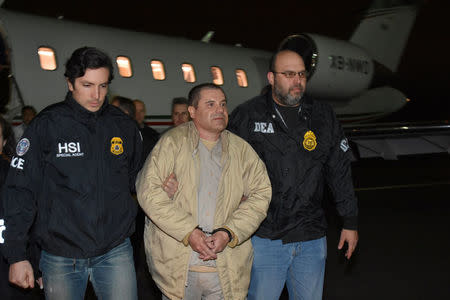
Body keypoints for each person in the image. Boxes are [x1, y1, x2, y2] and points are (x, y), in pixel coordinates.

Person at [1, 47, 142, 300]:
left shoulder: (123, 127)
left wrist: (162, 185)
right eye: (87, 85)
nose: (96, 95)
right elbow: (20, 191)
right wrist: (17, 255)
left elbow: (136, 179)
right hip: (61, 256)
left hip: (115, 251)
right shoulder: (47, 126)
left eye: (102, 85)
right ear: (69, 83)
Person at [228, 49, 359, 300]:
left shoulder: (323, 116)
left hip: (311, 236)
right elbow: (226, 168)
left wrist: (349, 221)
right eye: (288, 74)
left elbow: (339, 170)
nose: (297, 80)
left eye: (301, 74)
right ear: (271, 77)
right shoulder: (247, 115)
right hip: (264, 237)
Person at [136, 83, 272, 300]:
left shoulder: (242, 151)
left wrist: (228, 233)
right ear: (192, 111)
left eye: (223, 104)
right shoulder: (171, 144)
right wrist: (190, 233)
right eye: (210, 104)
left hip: (225, 270)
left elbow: (261, 194)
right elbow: (147, 191)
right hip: (180, 271)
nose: (220, 110)